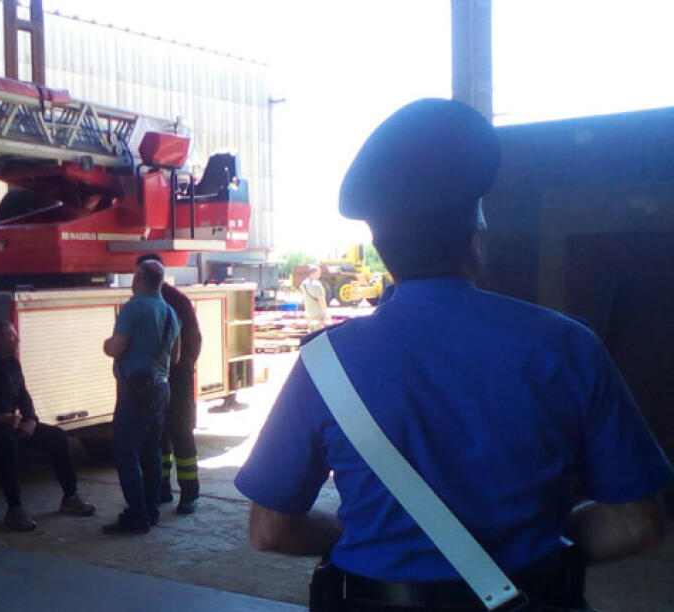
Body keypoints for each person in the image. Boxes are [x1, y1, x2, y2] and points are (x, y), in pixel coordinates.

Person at [235, 99, 671, 611]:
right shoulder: (567, 346)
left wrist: (361, 542)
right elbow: (638, 523)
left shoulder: (324, 364)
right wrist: (540, 544)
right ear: (476, 240)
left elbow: (270, 529)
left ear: (381, 246)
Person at [0, 320, 97, 531]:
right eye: (11, 336)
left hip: (13, 423)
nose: (17, 340)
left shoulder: (13, 363)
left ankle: (70, 497)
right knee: (8, 445)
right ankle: (15, 510)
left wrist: (30, 420)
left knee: (57, 436)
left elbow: (23, 395)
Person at [101, 260, 181, 534]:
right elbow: (177, 356)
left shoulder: (134, 307)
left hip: (137, 388)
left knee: (125, 451)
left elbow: (117, 346)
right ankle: (151, 509)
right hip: (161, 387)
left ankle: (136, 514)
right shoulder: (170, 311)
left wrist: (107, 345)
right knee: (151, 450)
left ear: (138, 278)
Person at [136, 253, 203, 515]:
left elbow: (193, 340)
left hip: (172, 375)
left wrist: (183, 368)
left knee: (179, 432)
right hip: (166, 375)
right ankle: (162, 488)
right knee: (159, 434)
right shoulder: (169, 300)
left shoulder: (170, 300)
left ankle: (188, 493)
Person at [300, 265, 328, 330]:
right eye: (319, 272)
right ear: (314, 273)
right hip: (318, 312)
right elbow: (321, 300)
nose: (320, 274)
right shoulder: (317, 285)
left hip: (309, 310)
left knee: (311, 330)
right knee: (318, 331)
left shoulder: (304, 283)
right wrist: (326, 312)